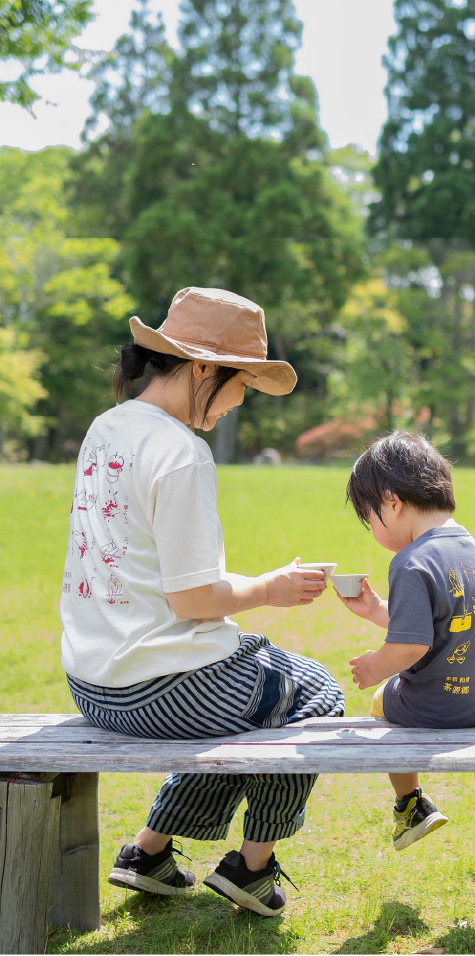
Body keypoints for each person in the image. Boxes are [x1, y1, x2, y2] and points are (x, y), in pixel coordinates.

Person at [60, 287, 345, 917]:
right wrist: (269, 590)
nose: (241, 399)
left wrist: (254, 588)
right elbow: (192, 600)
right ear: (203, 369)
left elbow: (152, 574)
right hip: (159, 689)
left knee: (253, 694)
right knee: (316, 693)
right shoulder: (181, 453)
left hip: (92, 682)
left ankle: (149, 852)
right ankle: (253, 868)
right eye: (241, 383)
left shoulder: (106, 428)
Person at [337, 431, 475, 886]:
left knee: (384, 701)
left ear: (391, 503)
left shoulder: (409, 561)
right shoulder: (471, 548)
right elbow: (444, 622)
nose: (373, 531)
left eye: (370, 519)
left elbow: (411, 646)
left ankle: (411, 805)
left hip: (441, 706)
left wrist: (374, 667)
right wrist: (376, 611)